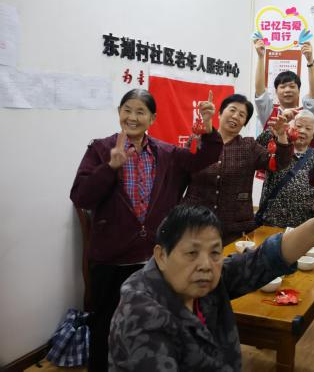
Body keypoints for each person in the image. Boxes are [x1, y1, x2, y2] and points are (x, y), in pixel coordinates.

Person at [109, 194, 314, 371]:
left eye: (215, 252)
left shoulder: (207, 282)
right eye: (191, 253)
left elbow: (264, 259)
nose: (205, 264)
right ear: (161, 256)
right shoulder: (142, 313)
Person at [70, 88, 223, 372]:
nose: (132, 117)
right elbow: (81, 196)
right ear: (119, 113)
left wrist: (209, 128)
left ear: (152, 118)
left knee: (153, 326)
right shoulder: (101, 149)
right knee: (105, 326)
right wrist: (109, 167)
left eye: (140, 112)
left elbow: (205, 157)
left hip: (154, 260)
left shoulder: (166, 153)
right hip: (111, 259)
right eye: (127, 110)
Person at [183, 94, 292, 245]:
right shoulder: (197, 142)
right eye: (232, 110)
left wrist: (281, 135)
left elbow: (279, 163)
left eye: (241, 115)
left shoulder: (249, 146)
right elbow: (181, 176)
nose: (235, 116)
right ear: (220, 113)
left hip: (234, 230)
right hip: (195, 225)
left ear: (244, 123)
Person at [256, 110, 314, 228]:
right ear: (289, 128)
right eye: (299, 126)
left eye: (308, 128)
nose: (302, 131)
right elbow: (258, 145)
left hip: (302, 227)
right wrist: (277, 127)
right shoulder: (278, 148)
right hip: (271, 223)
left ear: (313, 134)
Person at [254, 39, 314, 130]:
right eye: (282, 87)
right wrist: (261, 57)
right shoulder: (268, 113)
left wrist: (310, 61)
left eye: (292, 86)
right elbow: (260, 92)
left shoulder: (306, 114)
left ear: (298, 90)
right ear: (276, 91)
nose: (287, 90)